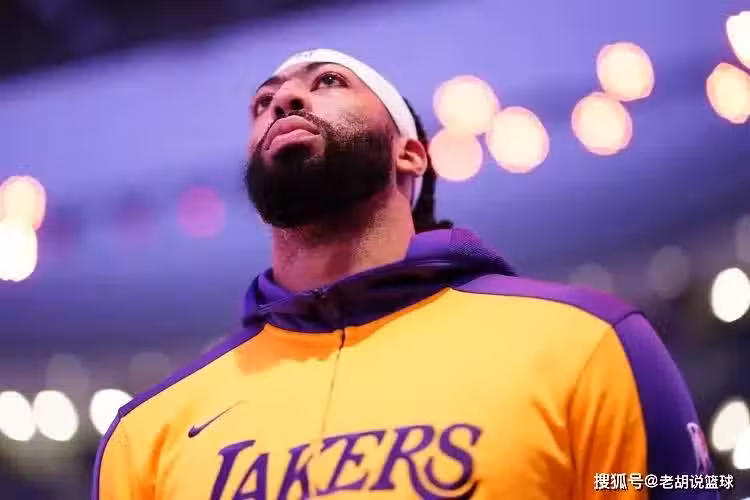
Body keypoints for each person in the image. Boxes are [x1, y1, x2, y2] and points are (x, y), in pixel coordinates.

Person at [93, 49, 720, 499]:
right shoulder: (150, 431)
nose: (282, 101)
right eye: (263, 103)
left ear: (410, 153)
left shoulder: (593, 342)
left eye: (328, 81)